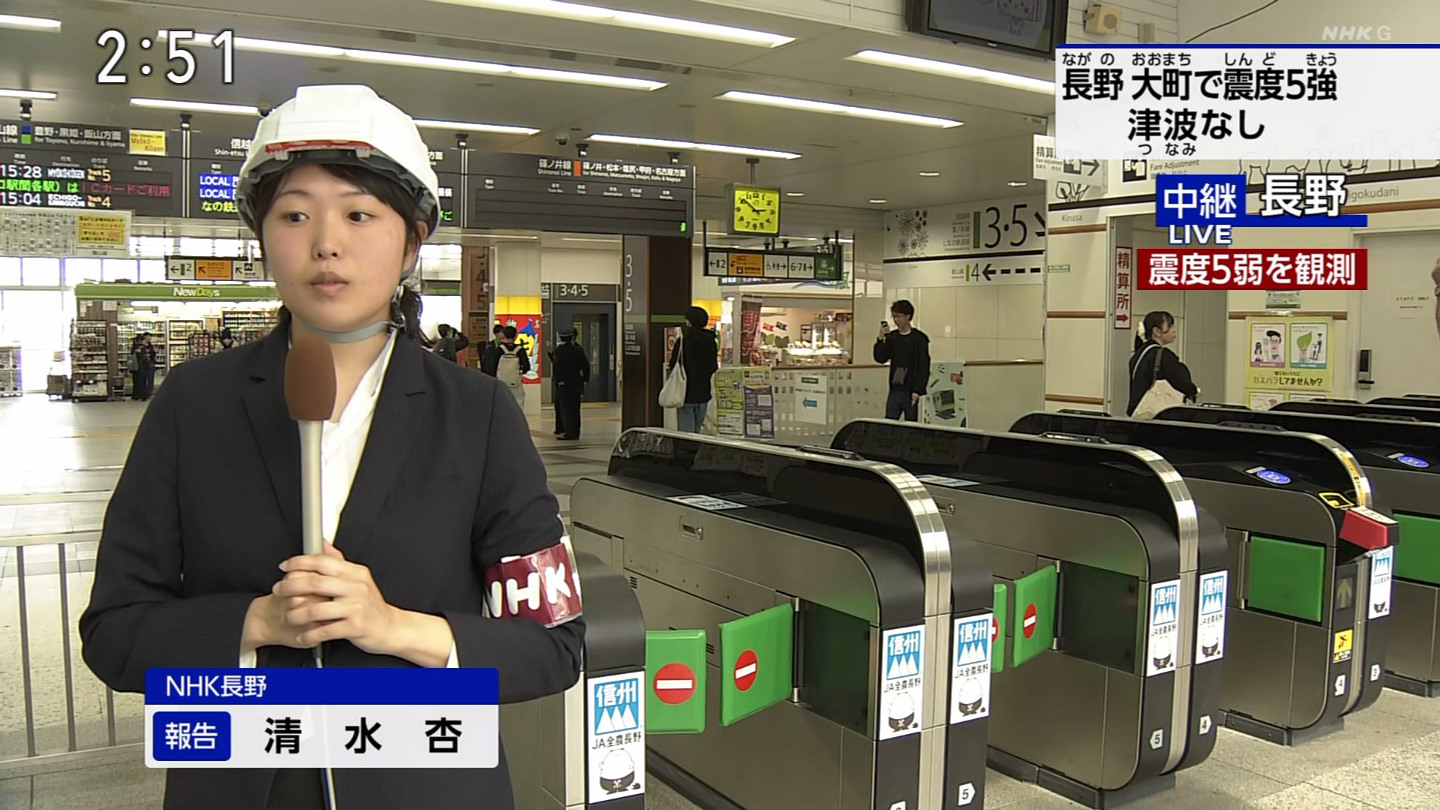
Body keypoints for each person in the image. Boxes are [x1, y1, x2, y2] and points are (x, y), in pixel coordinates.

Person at [77, 85, 583, 810]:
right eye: (294, 214)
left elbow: (553, 646)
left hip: (428, 785)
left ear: (412, 243)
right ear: (262, 238)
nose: (325, 243)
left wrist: (394, 627)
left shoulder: (477, 415)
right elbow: (114, 631)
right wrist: (257, 622)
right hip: (239, 780)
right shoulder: (193, 403)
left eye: (358, 213)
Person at [1127, 310, 1199, 416]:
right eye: (1170, 325)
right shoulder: (1163, 356)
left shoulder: (1139, 353)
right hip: (1159, 415)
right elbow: (1184, 384)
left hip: (1139, 411)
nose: (1174, 330)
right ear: (1157, 331)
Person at [873, 300, 930, 421]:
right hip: (895, 387)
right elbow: (880, 358)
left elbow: (924, 366)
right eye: (894, 316)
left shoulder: (919, 339)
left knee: (910, 423)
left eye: (899, 316)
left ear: (908, 316)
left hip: (911, 388)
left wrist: (918, 390)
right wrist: (881, 338)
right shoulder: (893, 337)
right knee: (890, 422)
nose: (896, 320)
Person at [667, 306, 719, 433]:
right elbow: (713, 366)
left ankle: (687, 446)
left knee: (686, 433)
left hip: (685, 392)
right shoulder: (711, 341)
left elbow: (674, 364)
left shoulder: (683, 341)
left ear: (689, 321)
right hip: (703, 393)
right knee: (697, 431)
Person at [550, 327, 590, 440]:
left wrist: (558, 381)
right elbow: (585, 366)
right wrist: (585, 379)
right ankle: (575, 432)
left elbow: (557, 368)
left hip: (564, 384)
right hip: (576, 383)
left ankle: (568, 432)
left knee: (565, 408)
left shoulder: (559, 351)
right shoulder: (579, 350)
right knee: (575, 408)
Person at [482, 325, 530, 409]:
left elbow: (492, 367)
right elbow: (526, 367)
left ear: (504, 335)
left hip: (501, 382)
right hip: (516, 382)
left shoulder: (499, 350)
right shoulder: (520, 350)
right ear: (515, 336)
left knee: (502, 404)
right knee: (518, 403)